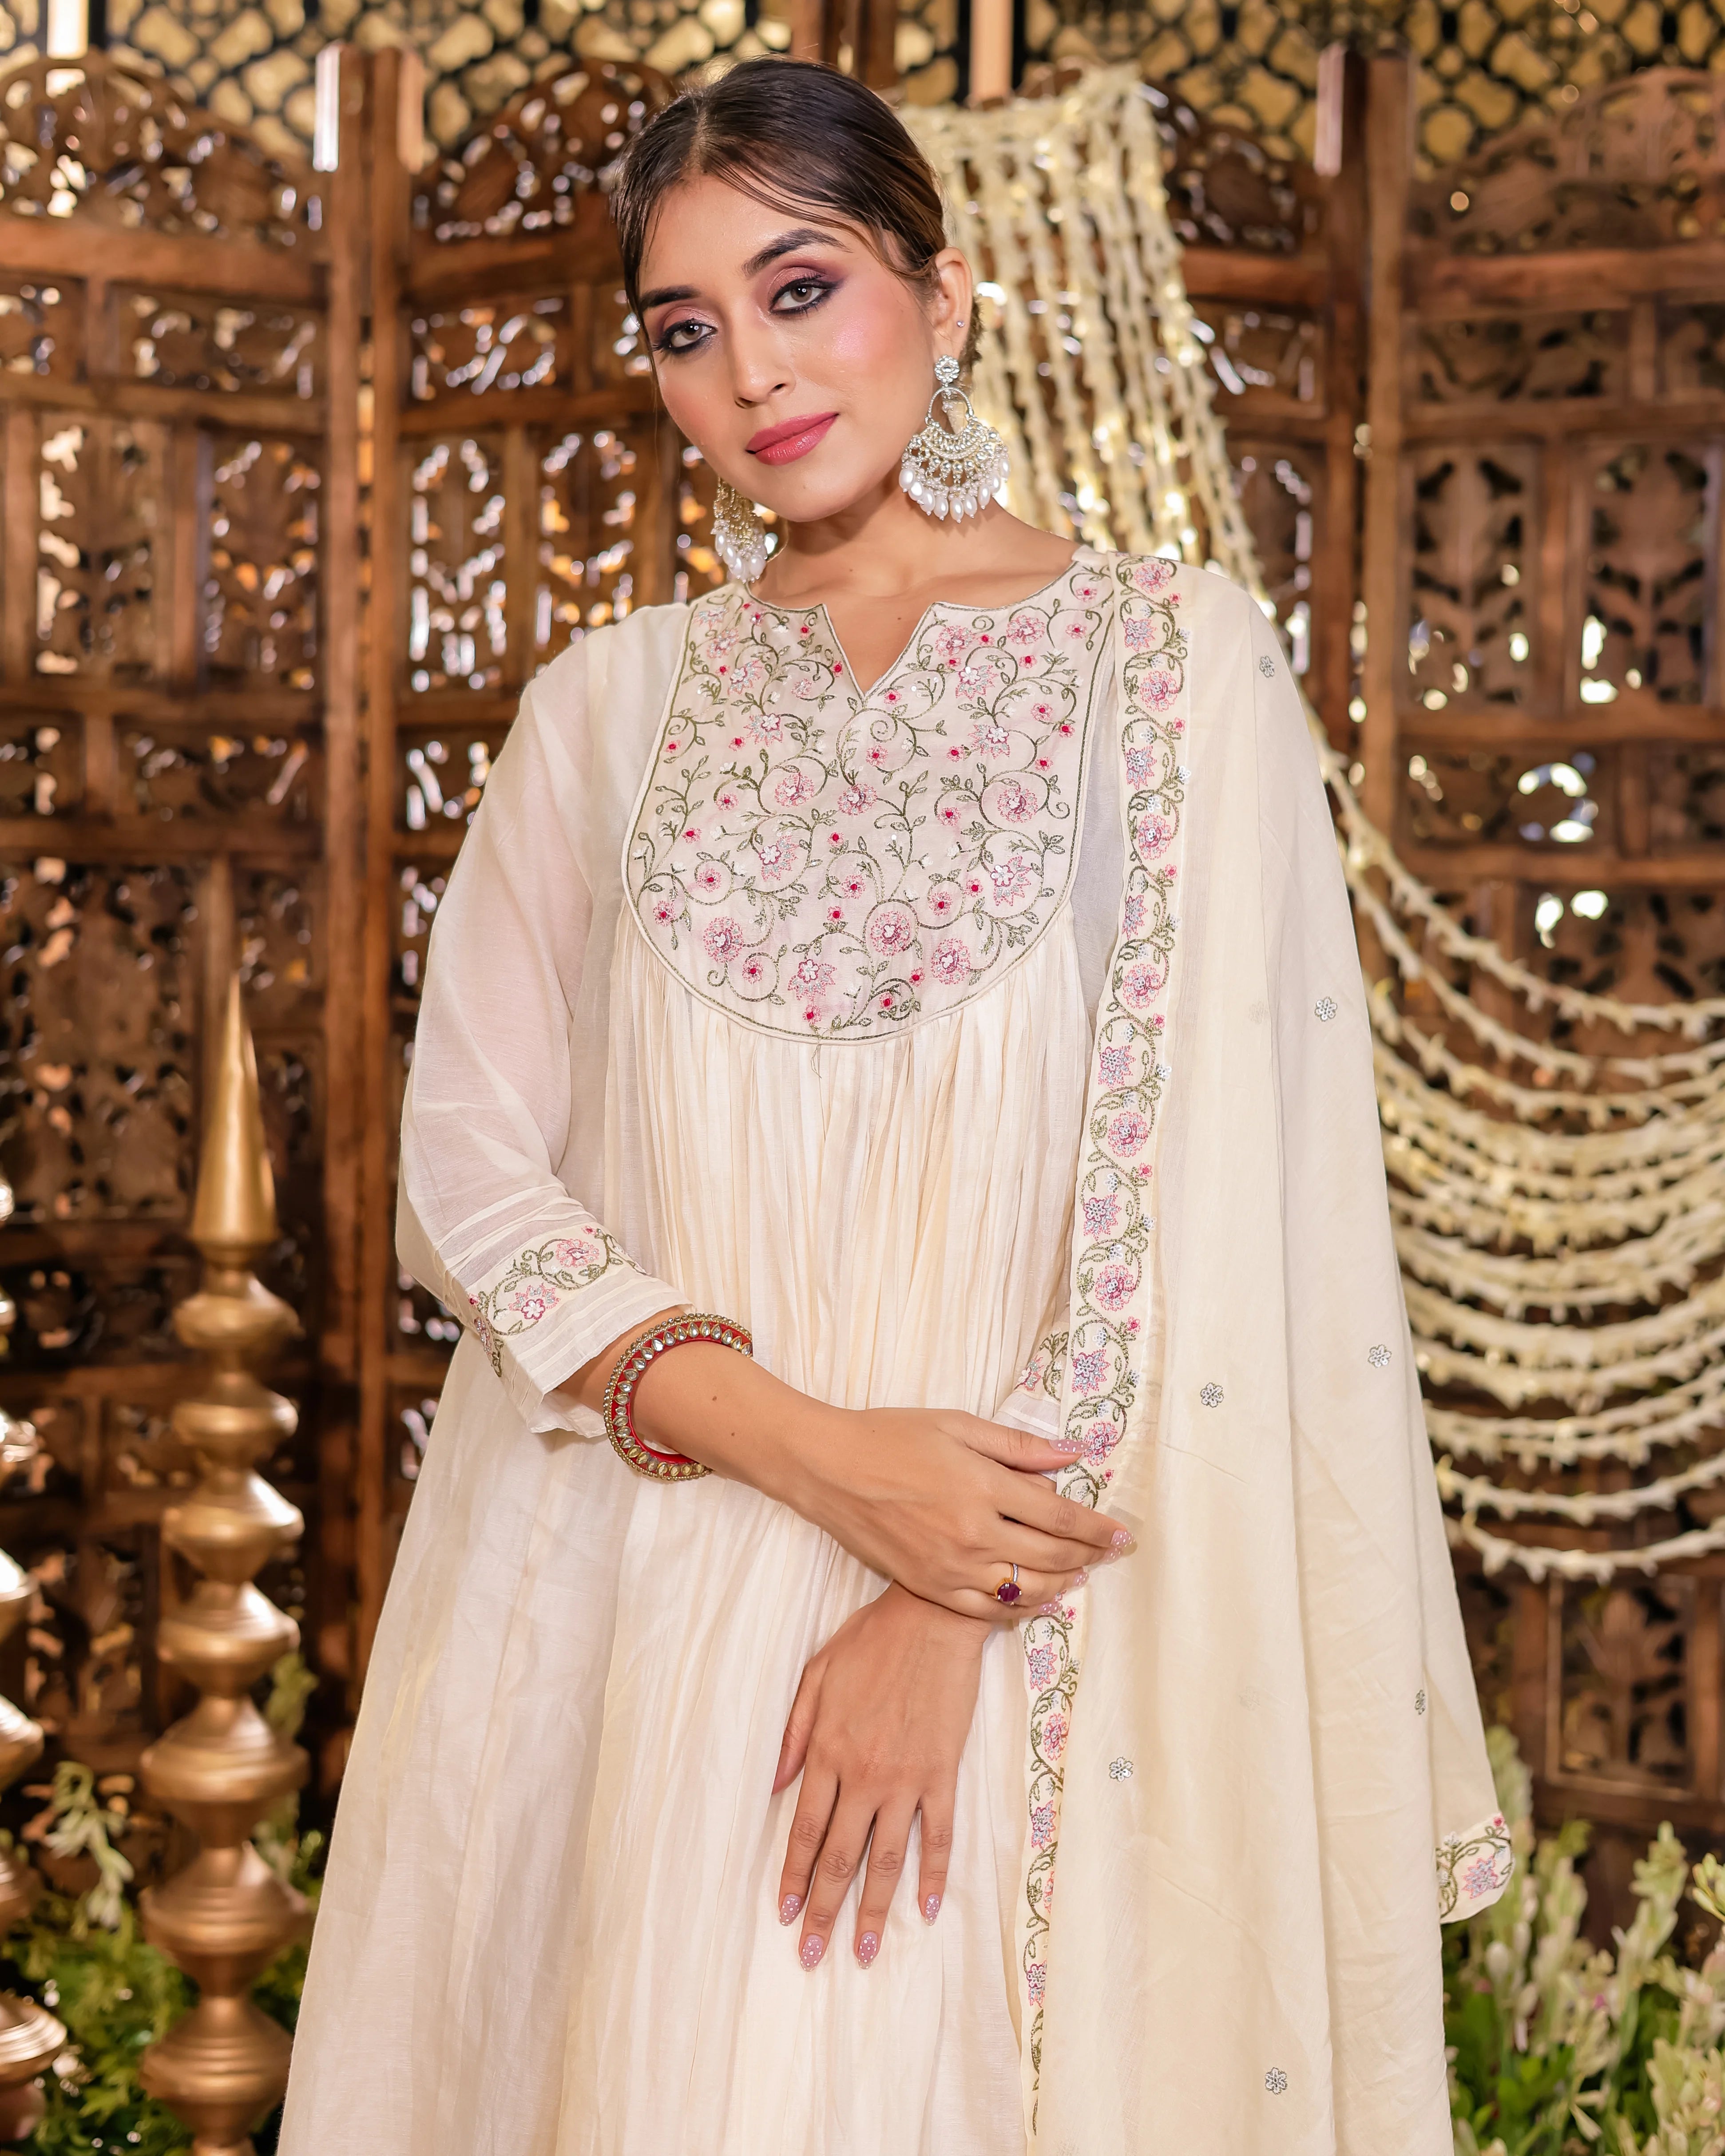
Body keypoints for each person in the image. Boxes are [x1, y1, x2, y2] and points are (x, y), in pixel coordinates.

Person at [280, 57, 1508, 2156]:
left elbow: (1201, 1208)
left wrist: (942, 1597)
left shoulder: (1176, 665)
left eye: (801, 286)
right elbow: (468, 1172)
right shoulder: (605, 713)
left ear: (945, 297)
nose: (751, 371)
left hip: (1047, 1639)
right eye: (688, 329)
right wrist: (824, 1457)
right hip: (653, 1605)